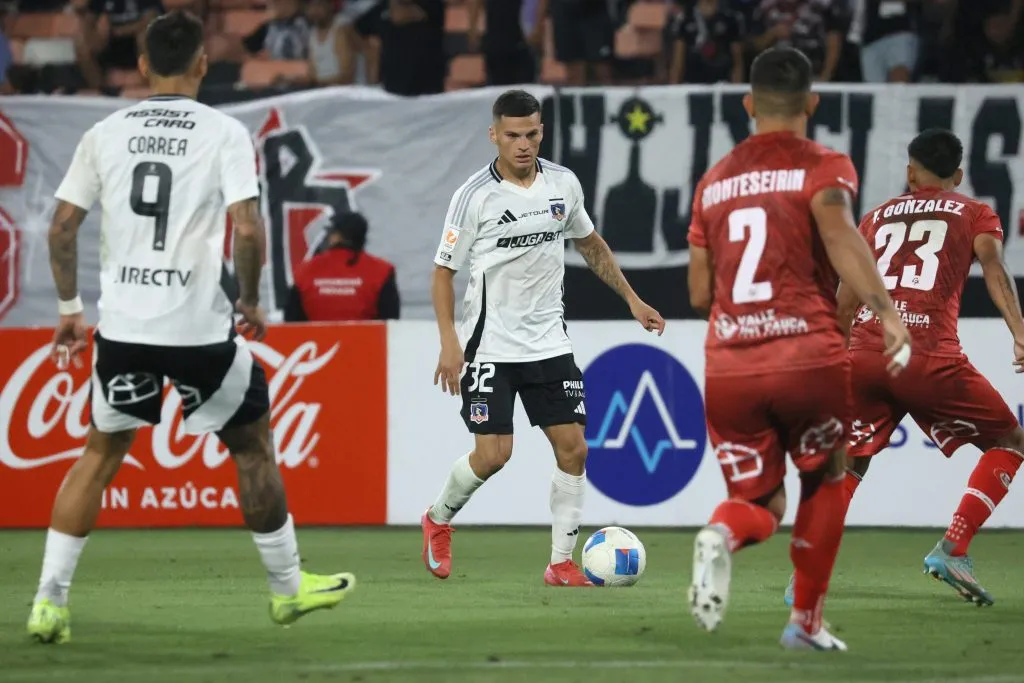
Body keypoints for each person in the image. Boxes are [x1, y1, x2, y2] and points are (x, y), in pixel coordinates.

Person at [26, 11, 354, 645]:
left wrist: (70, 309)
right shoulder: (225, 132)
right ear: (204, 64)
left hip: (124, 327)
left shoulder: (106, 131)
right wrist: (253, 301)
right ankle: (287, 590)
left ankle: (48, 601)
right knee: (252, 444)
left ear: (143, 65)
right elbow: (251, 228)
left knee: (98, 455)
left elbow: (62, 227)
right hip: (199, 328)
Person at [685, 47, 911, 650]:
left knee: (759, 501)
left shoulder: (712, 183)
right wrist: (886, 311)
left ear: (748, 105)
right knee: (827, 479)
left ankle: (721, 535)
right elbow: (839, 236)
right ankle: (805, 622)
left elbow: (699, 291)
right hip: (805, 355)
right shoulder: (825, 165)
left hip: (729, 365)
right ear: (812, 102)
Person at [422, 89, 665, 587]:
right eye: (512, 135)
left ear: (541, 132)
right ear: (494, 135)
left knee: (574, 449)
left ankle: (560, 563)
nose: (523, 144)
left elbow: (590, 244)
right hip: (490, 346)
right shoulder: (474, 196)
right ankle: (438, 519)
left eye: (531, 133)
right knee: (494, 456)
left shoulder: (563, 184)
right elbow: (442, 273)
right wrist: (450, 341)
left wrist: (633, 300)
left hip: (549, 342)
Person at [827, 129, 1024, 606]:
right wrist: (1019, 331)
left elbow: (847, 300)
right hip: (929, 356)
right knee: (1009, 441)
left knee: (850, 462)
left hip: (867, 353)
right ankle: (953, 546)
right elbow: (994, 268)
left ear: (910, 172)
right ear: (957, 175)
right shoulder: (975, 212)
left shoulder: (874, 219)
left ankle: (808, 572)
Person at [284, 211, 400, 322]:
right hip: (367, 340)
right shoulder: (382, 270)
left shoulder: (305, 270)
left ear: (337, 236)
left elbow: (291, 321)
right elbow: (391, 320)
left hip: (317, 341)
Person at [75, 0, 163, 90]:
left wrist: (119, 31)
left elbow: (150, 20)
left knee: (144, 37)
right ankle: (100, 90)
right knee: (82, 46)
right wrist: (96, 31)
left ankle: (149, 88)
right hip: (109, 42)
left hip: (134, 41)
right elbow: (89, 20)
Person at [467, 0, 538, 86]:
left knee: (525, 89)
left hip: (524, 38)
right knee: (498, 87)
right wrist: (472, 28)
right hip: (496, 38)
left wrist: (537, 27)